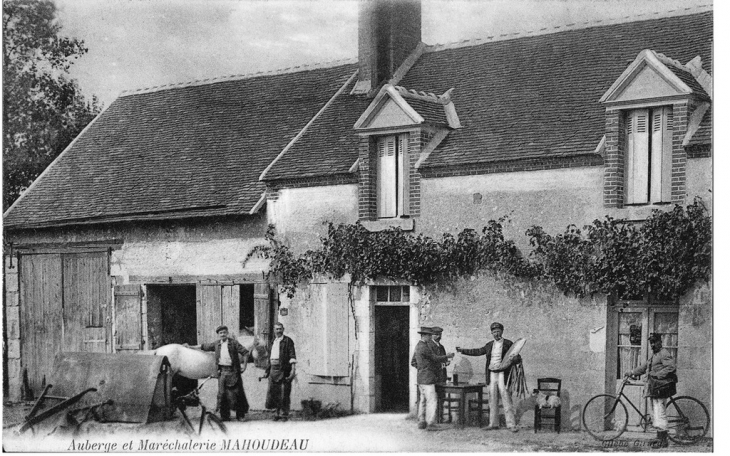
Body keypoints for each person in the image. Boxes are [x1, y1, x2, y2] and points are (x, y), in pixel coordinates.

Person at [457, 322, 520, 432]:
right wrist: (462, 350)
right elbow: (477, 351)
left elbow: (517, 357)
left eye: (498, 331)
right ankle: (493, 423)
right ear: (491, 333)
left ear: (502, 331)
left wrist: (516, 359)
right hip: (491, 374)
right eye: (494, 332)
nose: (496, 334)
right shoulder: (489, 345)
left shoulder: (509, 344)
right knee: (492, 399)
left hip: (503, 374)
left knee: (506, 397)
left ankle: (511, 425)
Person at [186, 325, 249, 422]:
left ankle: (240, 415)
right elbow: (203, 346)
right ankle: (224, 416)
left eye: (224, 332)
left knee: (237, 394)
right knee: (222, 394)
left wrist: (244, 366)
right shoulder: (216, 344)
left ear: (227, 333)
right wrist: (190, 346)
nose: (222, 334)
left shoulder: (234, 343)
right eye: (220, 333)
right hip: (222, 372)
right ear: (218, 335)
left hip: (234, 372)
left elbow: (245, 352)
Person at [625, 333, 677, 448]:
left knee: (660, 412)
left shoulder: (663, 353)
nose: (653, 344)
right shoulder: (654, 355)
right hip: (654, 388)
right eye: (651, 343)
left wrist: (658, 375)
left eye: (655, 342)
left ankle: (663, 441)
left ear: (660, 342)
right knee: (656, 413)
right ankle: (659, 438)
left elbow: (671, 367)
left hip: (661, 387)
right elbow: (644, 367)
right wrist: (632, 372)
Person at [413, 326, 455, 430]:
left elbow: (418, 361)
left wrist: (422, 368)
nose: (431, 337)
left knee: (423, 400)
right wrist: (447, 356)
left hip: (421, 378)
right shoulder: (424, 346)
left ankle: (421, 421)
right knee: (432, 400)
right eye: (429, 335)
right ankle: (431, 423)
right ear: (424, 336)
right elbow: (434, 358)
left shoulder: (419, 346)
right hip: (428, 378)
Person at [263, 323, 297, 421]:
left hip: (283, 369)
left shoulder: (287, 341)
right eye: (276, 329)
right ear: (274, 330)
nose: (278, 331)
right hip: (273, 370)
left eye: (280, 329)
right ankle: (277, 414)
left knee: (284, 393)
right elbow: (270, 358)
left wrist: (293, 371)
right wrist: (267, 371)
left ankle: (284, 414)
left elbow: (292, 356)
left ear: (283, 329)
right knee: (274, 393)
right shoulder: (272, 341)